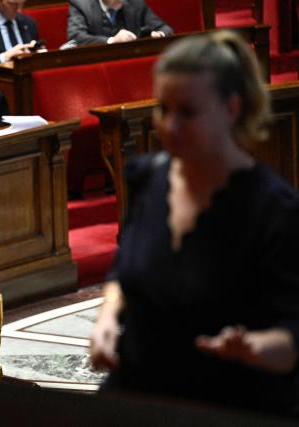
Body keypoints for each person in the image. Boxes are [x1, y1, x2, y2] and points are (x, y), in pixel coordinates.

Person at [90, 31, 299, 414]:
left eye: (187, 112)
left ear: (232, 109)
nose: (169, 126)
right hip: (138, 398)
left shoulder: (275, 210)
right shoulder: (149, 178)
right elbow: (125, 271)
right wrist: (108, 317)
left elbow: (291, 342)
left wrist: (252, 347)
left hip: (228, 407)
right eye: (163, 109)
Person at [67, 0, 172, 46]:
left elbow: (164, 28)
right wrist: (112, 41)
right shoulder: (81, 4)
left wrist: (159, 35)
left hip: (131, 58)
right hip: (97, 62)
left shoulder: (135, 2)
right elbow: (76, 36)